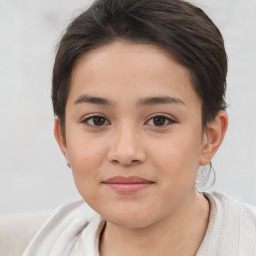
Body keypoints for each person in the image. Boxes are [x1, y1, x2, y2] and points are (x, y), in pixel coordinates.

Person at [1, 0, 256, 255]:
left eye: (160, 120)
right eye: (97, 120)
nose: (125, 152)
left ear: (209, 138)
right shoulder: (23, 245)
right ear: (63, 139)